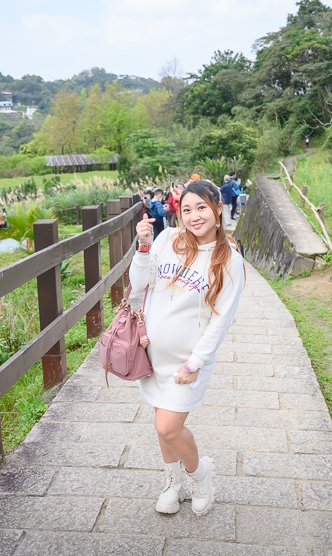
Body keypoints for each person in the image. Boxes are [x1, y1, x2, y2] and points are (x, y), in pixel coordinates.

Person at [129, 179, 245, 517]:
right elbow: (139, 285)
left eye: (202, 208)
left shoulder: (229, 260)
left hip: (186, 363)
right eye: (187, 209)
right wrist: (144, 246)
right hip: (152, 355)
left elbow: (220, 321)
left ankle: (200, 475)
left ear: (217, 208)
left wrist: (194, 363)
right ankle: (173, 482)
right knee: (159, 422)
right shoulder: (168, 239)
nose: (195, 216)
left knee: (169, 427)